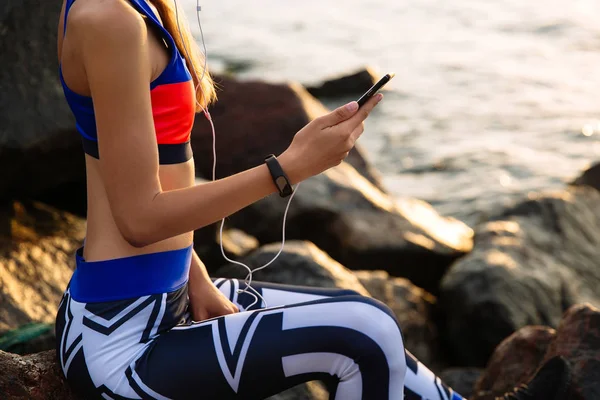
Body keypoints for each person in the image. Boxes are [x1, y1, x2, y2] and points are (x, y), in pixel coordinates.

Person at [54, 0, 571, 399]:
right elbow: (139, 215)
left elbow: (133, 180)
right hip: (119, 338)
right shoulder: (109, 19)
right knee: (364, 336)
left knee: (371, 318)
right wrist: (287, 168)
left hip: (166, 298)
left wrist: (195, 276)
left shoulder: (136, 8)